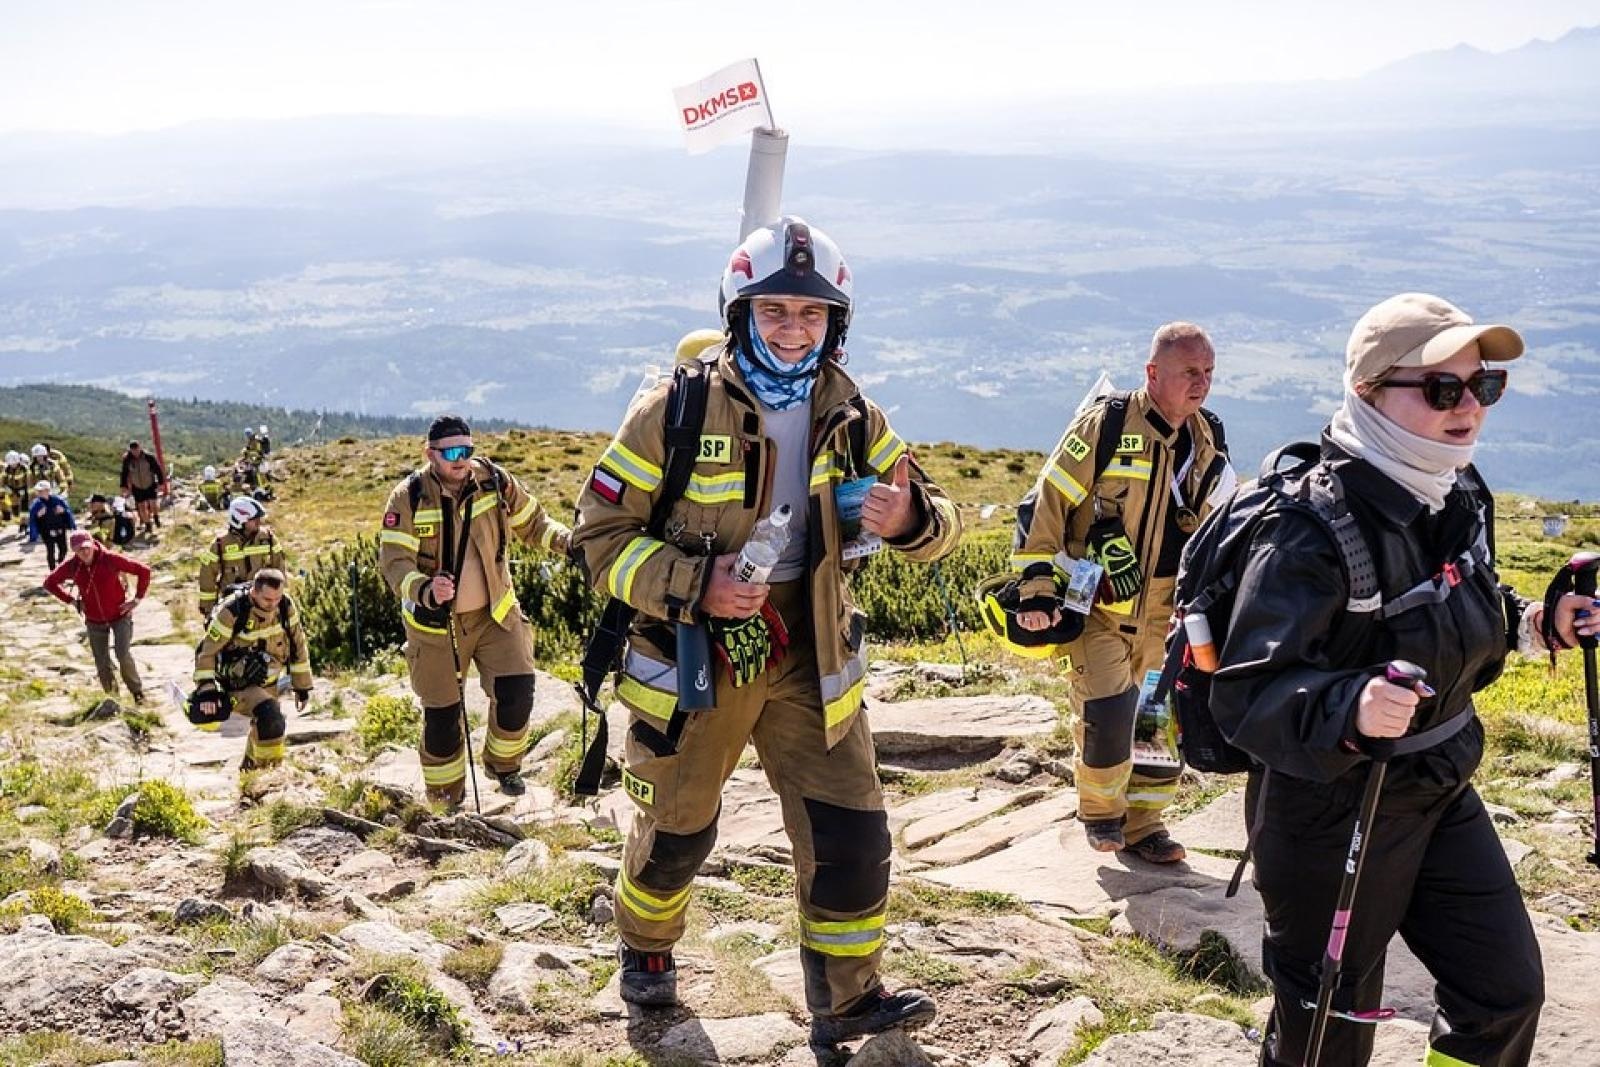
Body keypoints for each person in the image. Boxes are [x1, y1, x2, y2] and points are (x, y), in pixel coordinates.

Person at [570, 217, 962, 1047]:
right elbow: (598, 537)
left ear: (835, 325)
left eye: (811, 315)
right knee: (679, 829)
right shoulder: (673, 409)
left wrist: (910, 516)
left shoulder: (850, 411)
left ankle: (848, 1001)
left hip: (812, 647)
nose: (793, 330)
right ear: (740, 313)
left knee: (850, 830)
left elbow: (941, 520)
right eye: (775, 311)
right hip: (696, 649)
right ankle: (644, 945)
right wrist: (695, 584)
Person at [1210, 293, 1597, 1066]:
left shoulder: (1454, 488)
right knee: (1328, 1030)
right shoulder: (1308, 527)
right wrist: (1348, 704)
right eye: (1442, 389)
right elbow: (1247, 693)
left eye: (1482, 386)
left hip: (1437, 781)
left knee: (1504, 995)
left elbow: (1462, 605)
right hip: (1330, 808)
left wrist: (1535, 624)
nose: (1470, 410)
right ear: (1369, 393)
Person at [1012, 322, 1232, 862]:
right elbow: (1049, 502)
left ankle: (1146, 826)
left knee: (1158, 721)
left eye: (1207, 372)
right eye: (1188, 372)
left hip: (1167, 613)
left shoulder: (1206, 439)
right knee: (1109, 712)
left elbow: (1221, 527)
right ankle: (1101, 814)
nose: (1200, 383)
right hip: (1099, 609)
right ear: (1153, 373)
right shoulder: (1107, 425)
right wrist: (1037, 590)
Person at [378, 414, 571, 804]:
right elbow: (394, 562)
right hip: (436, 627)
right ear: (429, 454)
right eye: (451, 451)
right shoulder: (408, 496)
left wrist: (569, 543)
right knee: (443, 719)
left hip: (497, 614)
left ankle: (503, 767)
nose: (460, 458)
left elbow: (533, 523)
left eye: (467, 449)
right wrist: (426, 588)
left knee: (517, 694)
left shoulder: (495, 482)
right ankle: (445, 800)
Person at [191, 569, 312, 773]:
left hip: (269, 679)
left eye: (276, 598)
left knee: (263, 726)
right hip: (238, 684)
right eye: (266, 599)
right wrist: (207, 689)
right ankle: (269, 776)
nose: (272, 604)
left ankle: (248, 773)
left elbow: (298, 644)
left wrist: (302, 686)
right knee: (271, 718)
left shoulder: (285, 606)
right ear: (254, 592)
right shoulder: (232, 612)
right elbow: (206, 652)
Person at [42, 530, 149, 705]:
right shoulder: (72, 566)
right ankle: (113, 698)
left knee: (122, 654)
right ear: (74, 551)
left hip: (120, 615)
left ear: (92, 544)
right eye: (79, 550)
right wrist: (71, 601)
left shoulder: (110, 559)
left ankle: (137, 692)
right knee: (102, 661)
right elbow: (49, 582)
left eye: (86, 547)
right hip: (94, 620)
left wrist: (136, 600)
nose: (84, 552)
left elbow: (143, 571)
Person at [198, 497, 286, 619]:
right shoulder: (221, 544)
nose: (258, 522)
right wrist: (208, 608)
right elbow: (207, 576)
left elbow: (280, 569)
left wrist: (278, 599)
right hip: (232, 604)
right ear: (239, 521)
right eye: (253, 519)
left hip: (261, 602)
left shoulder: (268, 539)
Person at [118, 440, 165, 536]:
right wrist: (124, 486)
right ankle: (148, 524)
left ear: (140, 448)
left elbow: (158, 469)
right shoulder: (127, 460)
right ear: (130, 450)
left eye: (136, 450)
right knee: (141, 507)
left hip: (150, 484)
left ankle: (156, 517)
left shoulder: (148, 457)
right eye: (133, 450)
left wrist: (161, 483)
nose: (135, 452)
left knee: (153, 505)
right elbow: (124, 473)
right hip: (137, 486)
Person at [28, 481, 76, 568]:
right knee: (50, 551)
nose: (39, 493)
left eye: (41, 491)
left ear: (47, 490)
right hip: (46, 531)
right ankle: (52, 570)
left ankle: (60, 565)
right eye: (39, 491)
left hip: (60, 529)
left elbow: (68, 512)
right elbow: (32, 518)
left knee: (64, 549)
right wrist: (38, 515)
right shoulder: (36, 504)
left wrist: (63, 511)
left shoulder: (58, 500)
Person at [0, 451, 27, 532]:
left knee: (24, 509)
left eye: (14, 463)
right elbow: (2, 482)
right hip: (12, 491)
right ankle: (20, 524)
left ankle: (24, 525)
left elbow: (29, 479)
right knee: (15, 509)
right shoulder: (6, 469)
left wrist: (24, 489)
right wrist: (6, 490)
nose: (13, 465)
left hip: (23, 490)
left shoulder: (24, 468)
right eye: (11, 464)